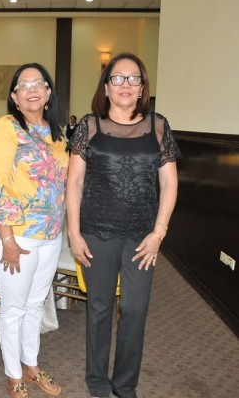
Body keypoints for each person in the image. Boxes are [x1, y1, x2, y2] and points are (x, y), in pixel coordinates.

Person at [66, 53, 180, 398]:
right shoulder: (89, 126)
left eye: (134, 79)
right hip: (96, 231)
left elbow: (170, 184)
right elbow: (73, 183)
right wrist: (73, 232)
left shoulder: (158, 126)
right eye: (118, 78)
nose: (126, 85)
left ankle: (125, 383)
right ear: (106, 86)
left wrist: (159, 233)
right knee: (99, 307)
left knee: (135, 309)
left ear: (143, 87)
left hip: (142, 235)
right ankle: (97, 381)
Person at [0, 63, 69, 398]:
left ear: (47, 93)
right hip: (15, 235)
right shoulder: (6, 127)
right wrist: (7, 238)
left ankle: (31, 364)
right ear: (14, 96)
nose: (32, 89)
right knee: (14, 307)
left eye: (38, 83)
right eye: (24, 84)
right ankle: (13, 373)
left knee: (36, 303)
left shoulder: (58, 132)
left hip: (51, 235)